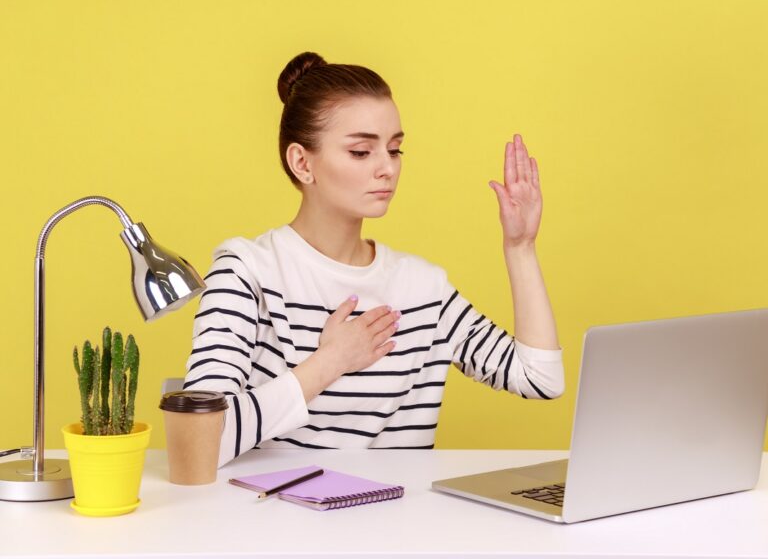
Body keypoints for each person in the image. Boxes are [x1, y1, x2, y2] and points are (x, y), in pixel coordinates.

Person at [183, 51, 564, 467]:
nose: (387, 168)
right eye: (362, 152)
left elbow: (540, 379)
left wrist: (521, 247)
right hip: (277, 524)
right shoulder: (246, 273)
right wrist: (330, 362)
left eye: (395, 150)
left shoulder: (423, 288)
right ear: (302, 163)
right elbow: (199, 442)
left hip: (396, 526)